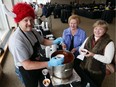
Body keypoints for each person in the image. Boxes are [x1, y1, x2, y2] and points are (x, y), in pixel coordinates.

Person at [8, 3, 64, 87]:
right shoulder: (17, 41)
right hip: (25, 69)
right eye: (26, 20)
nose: (30, 23)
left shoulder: (32, 30)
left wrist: (54, 42)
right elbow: (27, 65)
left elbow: (43, 41)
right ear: (18, 21)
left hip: (35, 60)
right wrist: (49, 63)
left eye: (31, 20)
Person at [79, 20, 115, 87]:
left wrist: (93, 55)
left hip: (98, 71)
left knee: (95, 84)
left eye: (100, 29)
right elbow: (81, 48)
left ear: (105, 31)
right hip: (85, 66)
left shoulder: (109, 43)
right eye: (96, 28)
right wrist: (81, 51)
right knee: (84, 82)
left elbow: (108, 60)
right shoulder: (89, 38)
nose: (97, 31)